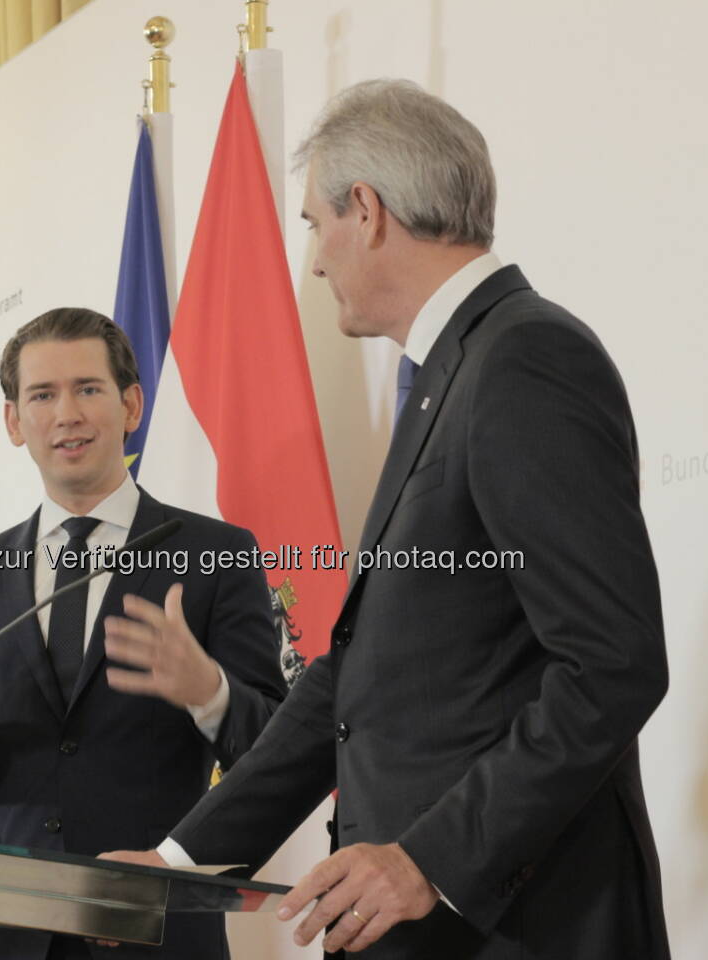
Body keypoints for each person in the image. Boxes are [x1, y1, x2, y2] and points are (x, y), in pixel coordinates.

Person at [107, 79, 672, 959]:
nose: (317, 260)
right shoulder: (452, 376)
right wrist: (182, 860)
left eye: (312, 225)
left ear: (364, 211)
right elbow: (351, 683)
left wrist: (428, 861)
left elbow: (614, 665)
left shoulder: (524, 359)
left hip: (520, 926)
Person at [0, 308, 287, 959]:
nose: (66, 413)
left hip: (152, 927)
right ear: (15, 422)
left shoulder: (216, 554)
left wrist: (208, 691)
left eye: (88, 389)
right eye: (42, 395)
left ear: (131, 404)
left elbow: (274, 753)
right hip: (6, 936)